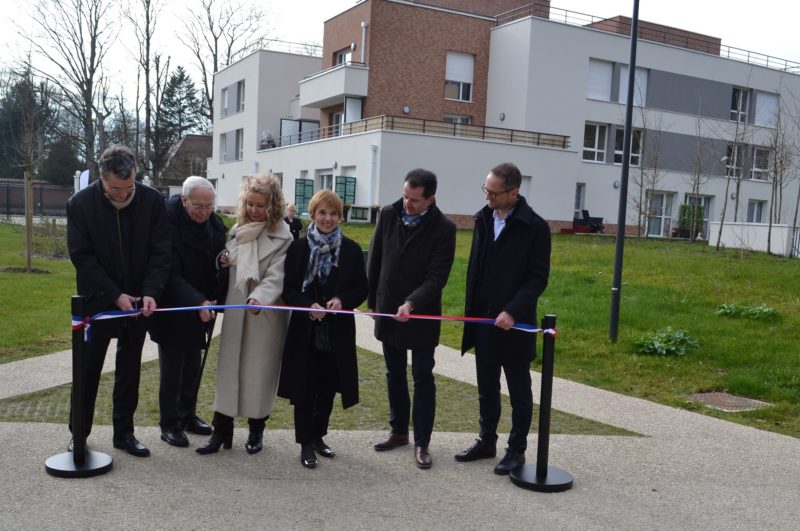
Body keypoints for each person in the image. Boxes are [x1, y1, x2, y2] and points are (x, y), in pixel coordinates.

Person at [66, 145, 171, 457]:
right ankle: (79, 435)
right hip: (96, 303)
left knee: (129, 370)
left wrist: (151, 291)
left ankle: (124, 433)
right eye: (116, 188)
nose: (125, 194)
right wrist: (113, 294)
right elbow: (82, 257)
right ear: (101, 178)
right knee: (86, 371)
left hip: (138, 301)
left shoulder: (152, 202)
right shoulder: (80, 204)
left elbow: (161, 251)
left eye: (130, 187)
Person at [455, 162, 551, 475]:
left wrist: (512, 310)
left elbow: (537, 278)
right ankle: (486, 441)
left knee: (519, 391)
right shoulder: (483, 219)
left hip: (514, 324)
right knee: (486, 387)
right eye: (486, 190)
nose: (489, 197)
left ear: (514, 192)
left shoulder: (534, 226)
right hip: (483, 322)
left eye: (495, 193)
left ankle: (516, 450)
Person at [197, 174, 292, 456]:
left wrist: (259, 297)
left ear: (272, 205)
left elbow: (278, 276)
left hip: (264, 315)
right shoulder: (238, 230)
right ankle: (221, 431)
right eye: (250, 204)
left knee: (258, 373)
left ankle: (256, 430)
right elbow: (229, 260)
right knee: (228, 371)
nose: (254, 210)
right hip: (237, 312)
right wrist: (223, 259)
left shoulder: (283, 236)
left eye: (260, 205)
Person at [367, 168, 456, 469]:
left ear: (431, 199)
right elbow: (375, 259)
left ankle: (422, 443)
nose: (407, 204)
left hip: (421, 314)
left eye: (415, 200)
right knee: (394, 373)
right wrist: (373, 302)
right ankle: (398, 432)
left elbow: (437, 277)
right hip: (388, 310)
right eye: (406, 196)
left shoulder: (445, 228)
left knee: (422, 376)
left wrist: (412, 303)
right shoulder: (389, 215)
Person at [278, 190, 368, 468]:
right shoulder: (299, 248)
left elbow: (361, 288)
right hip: (305, 331)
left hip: (336, 332)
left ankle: (319, 436)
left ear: (339, 216)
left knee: (328, 387)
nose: (328, 219)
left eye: (332, 213)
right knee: (305, 388)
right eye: (322, 213)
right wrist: (308, 305)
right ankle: (305, 443)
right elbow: (288, 290)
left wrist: (343, 300)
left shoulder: (351, 250)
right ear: (313, 215)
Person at [149, 176, 226, 447]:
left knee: (193, 366)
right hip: (175, 306)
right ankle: (169, 423)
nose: (204, 212)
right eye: (198, 206)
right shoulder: (167, 226)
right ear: (184, 201)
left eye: (209, 206)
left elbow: (217, 262)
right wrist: (197, 300)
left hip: (201, 308)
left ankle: (187, 415)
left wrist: (223, 267)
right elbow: (169, 272)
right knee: (173, 370)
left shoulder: (215, 225)